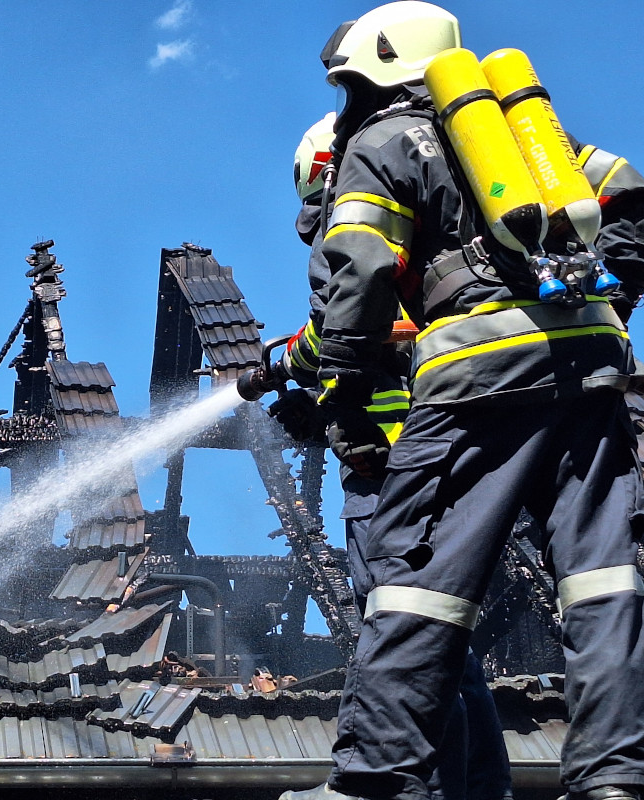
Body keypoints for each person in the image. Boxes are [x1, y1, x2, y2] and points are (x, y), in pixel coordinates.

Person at [278, 3, 644, 800]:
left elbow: (363, 272)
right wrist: (609, 307)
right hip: (592, 368)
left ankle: (375, 781)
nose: (345, 106)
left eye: (348, 86)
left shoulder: (382, 142)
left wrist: (329, 381)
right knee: (603, 578)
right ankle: (612, 778)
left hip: (478, 378)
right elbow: (635, 207)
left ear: (377, 69)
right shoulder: (523, 139)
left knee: (415, 579)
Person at [275, 112, 512, 800]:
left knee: (405, 642)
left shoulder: (376, 230)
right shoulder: (450, 228)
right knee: (447, 650)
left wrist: (294, 367)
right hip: (444, 469)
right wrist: (320, 399)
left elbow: (356, 323)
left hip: (395, 485)